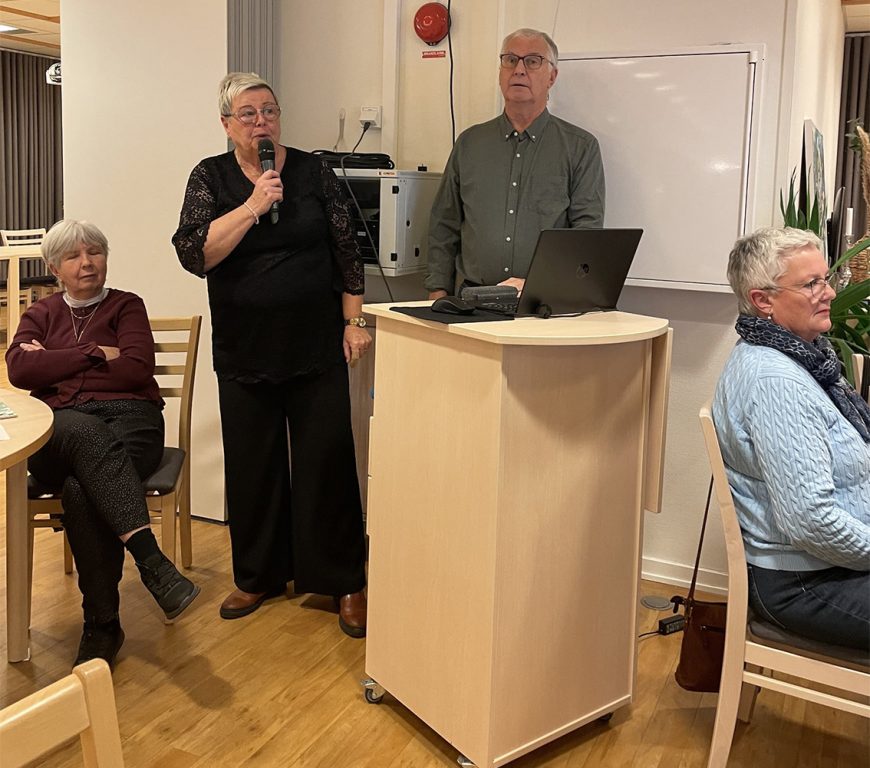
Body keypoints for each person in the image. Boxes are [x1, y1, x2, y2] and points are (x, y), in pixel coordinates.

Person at [171, 72, 370, 637]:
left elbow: (347, 250)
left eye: (269, 111)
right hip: (245, 347)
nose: (261, 122)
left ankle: (344, 581)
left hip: (314, 344)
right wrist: (254, 205)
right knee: (252, 464)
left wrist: (353, 321)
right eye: (248, 113)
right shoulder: (209, 176)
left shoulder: (313, 171)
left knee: (326, 462)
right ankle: (259, 575)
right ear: (226, 124)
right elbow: (196, 255)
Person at [6, 220, 200, 670]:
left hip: (132, 420)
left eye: (95, 252)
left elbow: (136, 369)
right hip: (60, 429)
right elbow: (19, 369)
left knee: (81, 489)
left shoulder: (126, 306)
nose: (87, 263)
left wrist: (53, 364)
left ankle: (102, 625)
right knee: (85, 433)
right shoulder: (41, 313)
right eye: (73, 256)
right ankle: (151, 560)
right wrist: (94, 354)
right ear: (54, 268)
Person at [713, 226, 870, 651]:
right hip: (805, 582)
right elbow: (811, 522)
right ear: (762, 300)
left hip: (833, 563)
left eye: (826, 279)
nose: (830, 293)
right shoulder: (777, 382)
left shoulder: (805, 357)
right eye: (811, 284)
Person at [424, 28, 606, 300]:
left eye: (532, 61)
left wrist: (547, 285)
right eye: (510, 60)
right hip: (471, 301)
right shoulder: (469, 144)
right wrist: (437, 292)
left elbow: (586, 235)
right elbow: (444, 223)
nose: (519, 70)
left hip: (544, 302)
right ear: (501, 72)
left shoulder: (580, 147)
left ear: (552, 76)